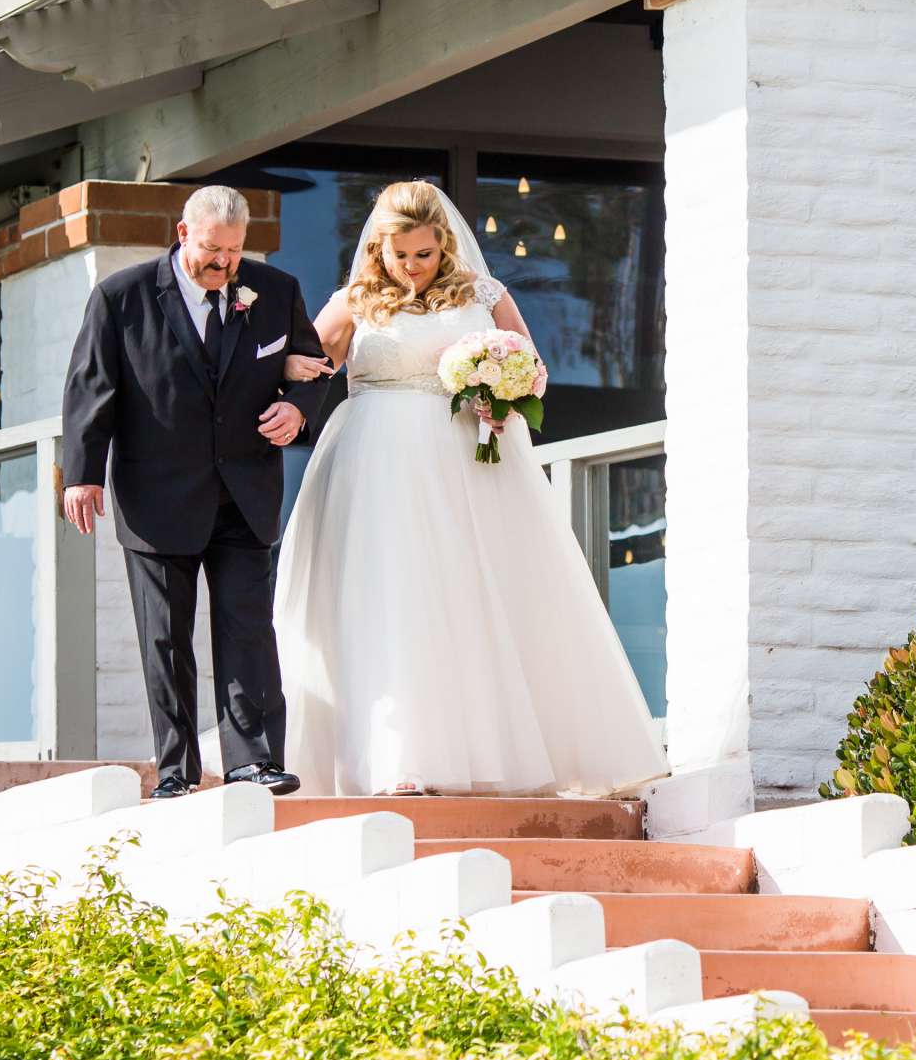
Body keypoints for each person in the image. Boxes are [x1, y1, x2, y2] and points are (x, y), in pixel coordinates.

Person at [271, 180, 665, 797]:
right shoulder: (355, 300)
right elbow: (306, 362)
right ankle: (395, 759)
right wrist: (291, 370)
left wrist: (504, 396)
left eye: (424, 255)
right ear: (380, 247)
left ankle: (489, 754)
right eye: (400, 255)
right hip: (373, 464)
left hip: (465, 464)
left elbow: (530, 368)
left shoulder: (485, 294)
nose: (412, 268)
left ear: (443, 243)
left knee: (469, 594)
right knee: (391, 596)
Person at [59, 185, 325, 799]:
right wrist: (82, 474)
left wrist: (296, 409)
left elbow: (311, 365)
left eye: (233, 251)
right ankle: (176, 771)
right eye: (212, 249)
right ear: (184, 234)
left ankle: (253, 763)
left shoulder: (275, 291)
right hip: (157, 496)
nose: (224, 263)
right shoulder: (120, 298)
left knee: (248, 629)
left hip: (245, 491)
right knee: (166, 638)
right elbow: (90, 389)